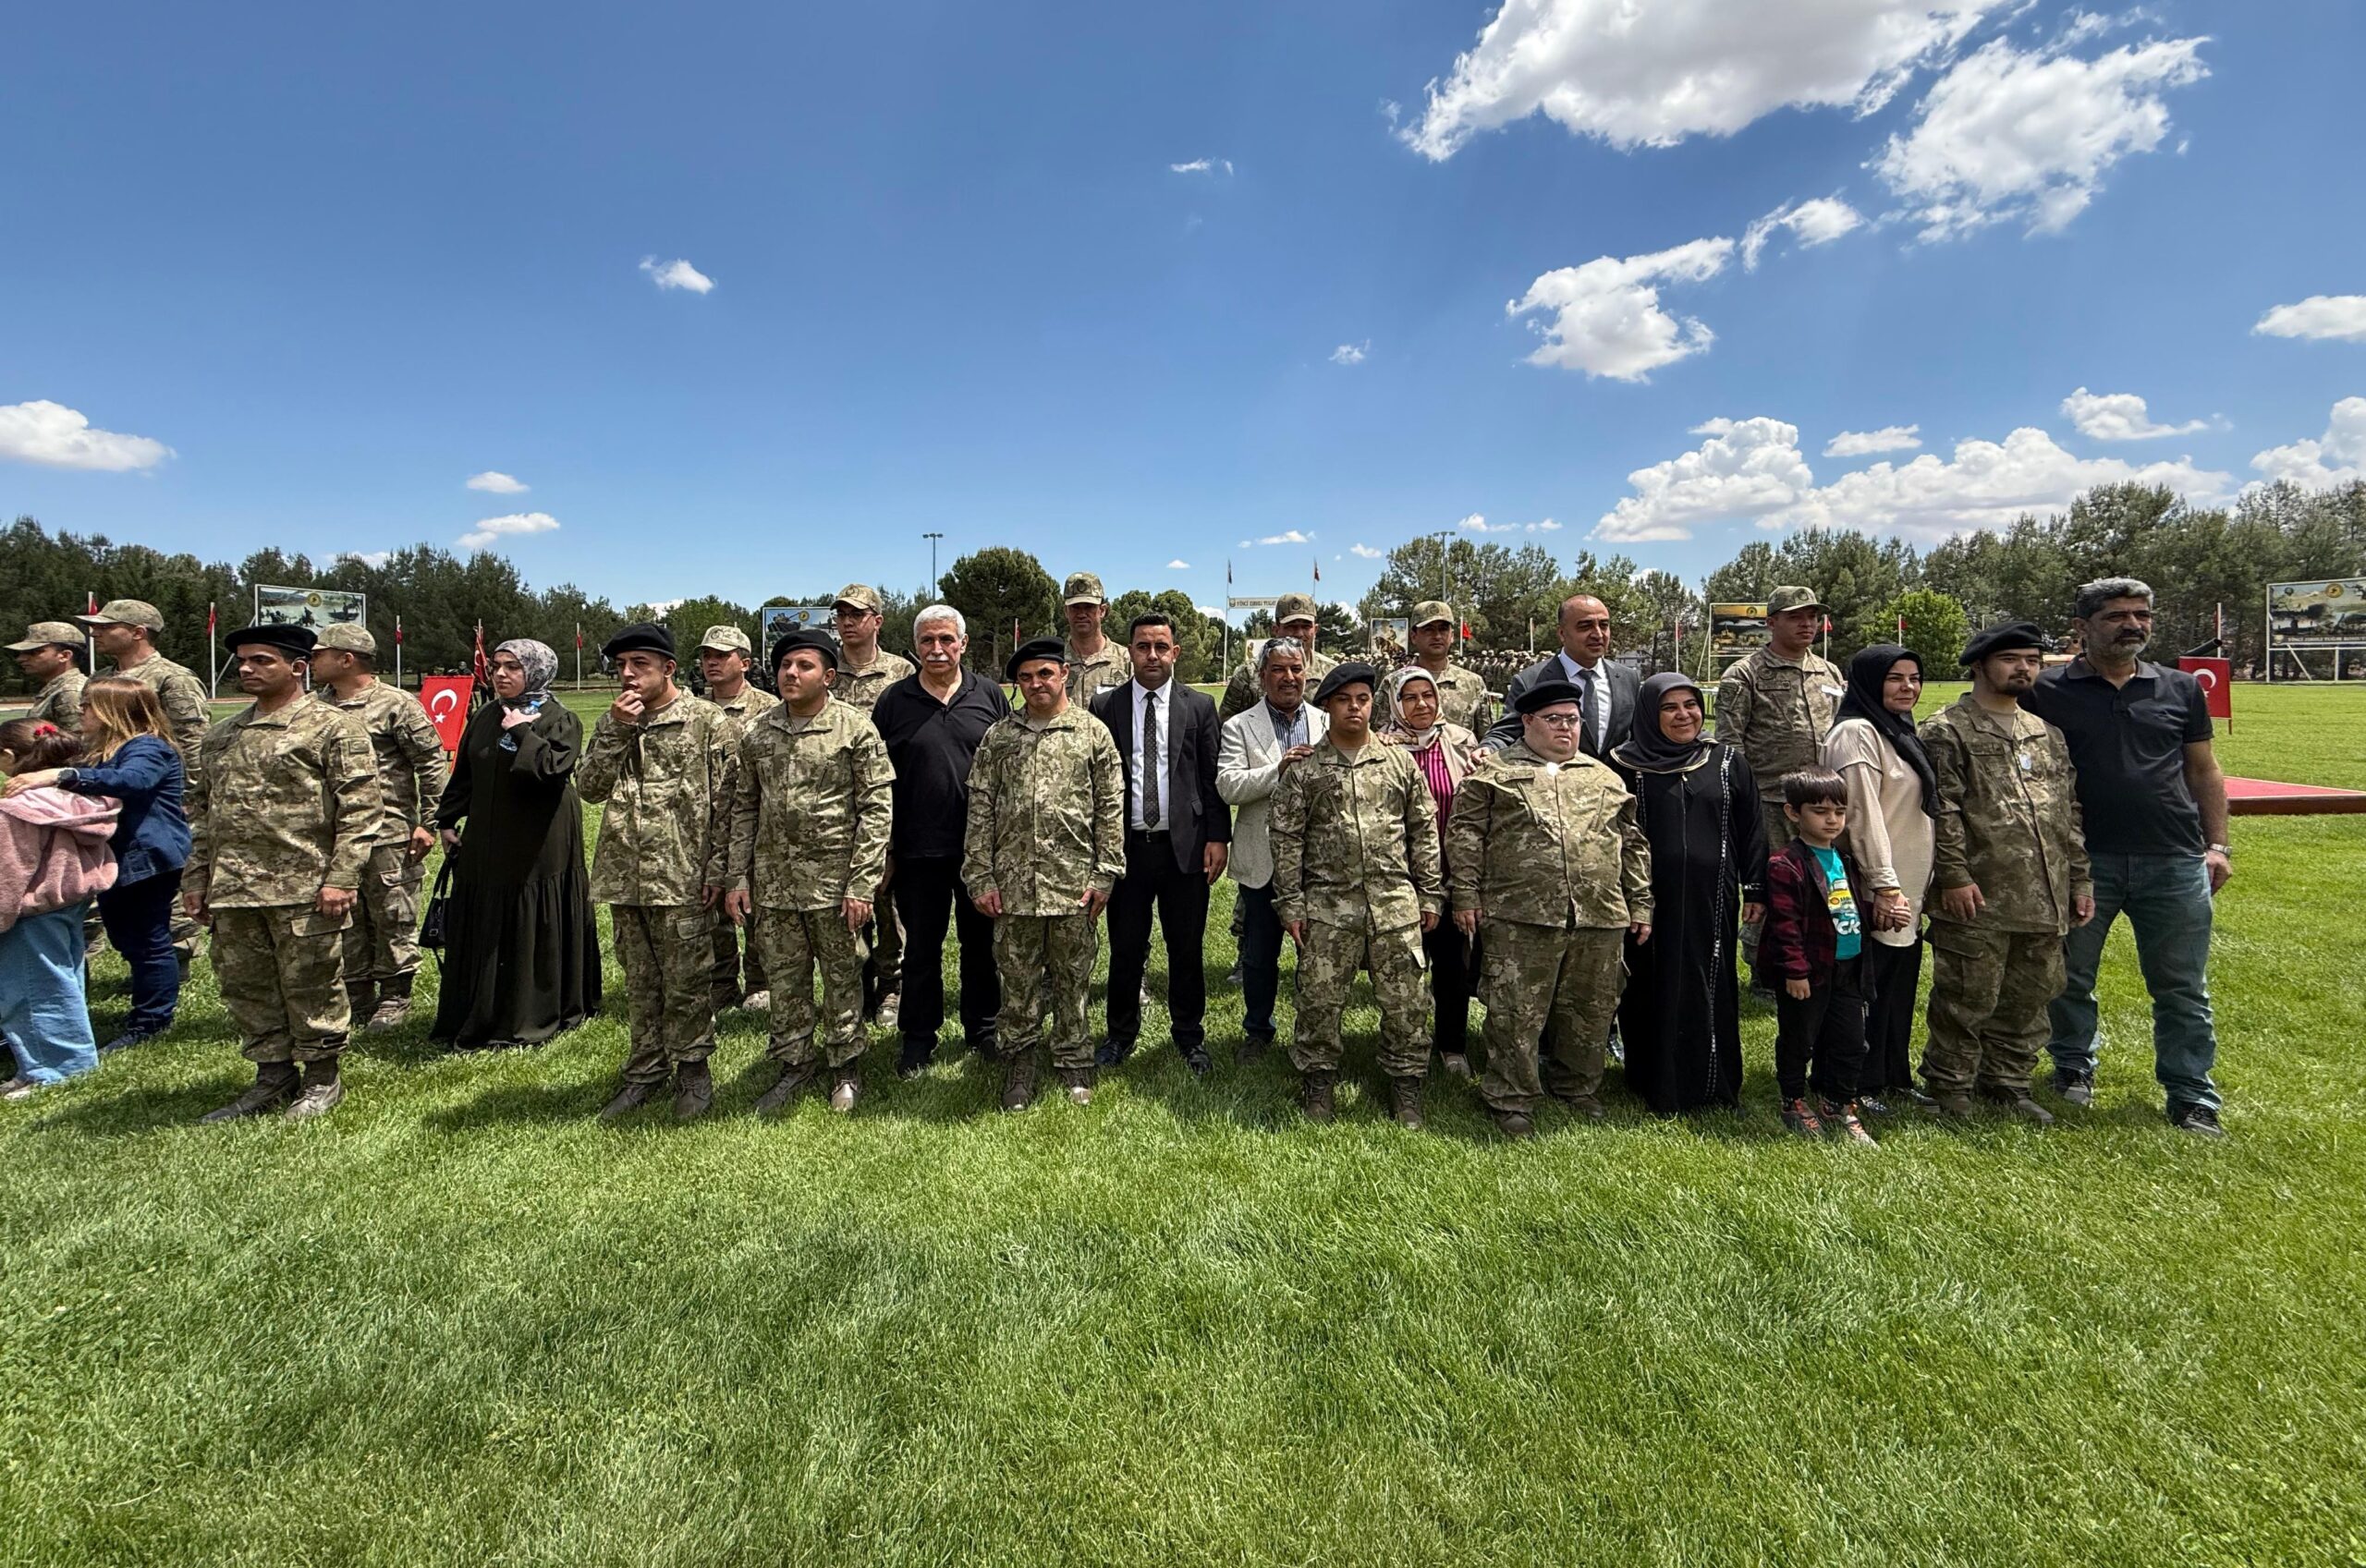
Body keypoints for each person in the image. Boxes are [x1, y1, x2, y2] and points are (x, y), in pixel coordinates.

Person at [2025, 577, 2232, 1137]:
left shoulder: (2181, 689)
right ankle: (2071, 1066)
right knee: (2068, 975)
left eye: (2141, 614)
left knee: (2182, 986)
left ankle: (2191, 1095)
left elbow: (2203, 770)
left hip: (2174, 857)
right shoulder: (2045, 691)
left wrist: (2217, 846)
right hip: (2084, 860)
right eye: (2117, 616)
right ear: (2083, 627)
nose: (2132, 625)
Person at [184, 625, 381, 1121]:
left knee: (312, 983)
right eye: (243, 661)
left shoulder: (333, 728)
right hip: (234, 888)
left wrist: (342, 878)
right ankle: (272, 1076)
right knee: (246, 986)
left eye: (262, 660)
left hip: (304, 885)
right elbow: (201, 812)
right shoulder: (222, 735)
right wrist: (196, 878)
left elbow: (360, 809)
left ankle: (321, 1078)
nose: (247, 669)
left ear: (297, 667)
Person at [1452, 679, 1652, 1137]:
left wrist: (1640, 902)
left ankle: (1577, 1085)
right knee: (1515, 1010)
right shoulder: (1493, 773)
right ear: (1527, 722)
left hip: (1598, 914)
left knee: (1591, 1007)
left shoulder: (1604, 777)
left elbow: (1633, 845)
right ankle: (1511, 1096)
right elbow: (1464, 839)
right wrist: (1464, 895)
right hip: (1520, 914)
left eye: (1573, 720)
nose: (1566, 728)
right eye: (1554, 720)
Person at [1920, 622, 2094, 1126]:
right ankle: (1949, 1088)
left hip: (2045, 894)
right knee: (1967, 997)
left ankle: (2008, 1083)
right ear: (1979, 665)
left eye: (2033, 660)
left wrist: (2079, 879)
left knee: (2032, 996)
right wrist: (1953, 876)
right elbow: (1943, 810)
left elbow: (2068, 812)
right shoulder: (1947, 730)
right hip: (1979, 893)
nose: (2024, 668)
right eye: (2011, 659)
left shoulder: (2046, 734)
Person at [726, 628, 894, 1116]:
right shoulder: (758, 732)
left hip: (835, 886)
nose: (791, 674)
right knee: (786, 982)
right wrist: (738, 877)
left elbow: (877, 810)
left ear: (829, 676)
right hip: (775, 888)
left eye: (804, 666)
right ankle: (794, 1063)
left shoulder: (856, 729)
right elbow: (744, 809)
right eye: (784, 666)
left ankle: (846, 1066)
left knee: (843, 980)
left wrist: (862, 884)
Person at [1271, 662, 1444, 1128]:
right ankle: (1318, 1080)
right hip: (1329, 907)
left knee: (1406, 1001)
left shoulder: (1397, 761)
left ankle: (1406, 1084)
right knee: (1320, 1001)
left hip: (1394, 904)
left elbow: (1422, 826)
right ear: (1327, 707)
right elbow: (1286, 838)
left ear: (1373, 704)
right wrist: (1291, 902)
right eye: (1344, 700)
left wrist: (1429, 892)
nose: (1354, 708)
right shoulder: (1306, 769)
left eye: (1362, 699)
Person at [577, 625, 738, 1121]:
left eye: (639, 665)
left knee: (688, 981)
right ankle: (645, 1070)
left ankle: (693, 1070)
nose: (627, 675)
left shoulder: (706, 721)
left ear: (668, 669)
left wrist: (719, 870)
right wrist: (615, 730)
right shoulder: (617, 722)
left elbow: (729, 803)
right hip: (627, 876)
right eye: (621, 666)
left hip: (684, 876)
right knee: (641, 982)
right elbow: (590, 787)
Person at [963, 638, 1125, 1112]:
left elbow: (1110, 808)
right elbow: (980, 809)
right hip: (1013, 887)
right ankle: (1020, 1062)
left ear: (1064, 676)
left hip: (1073, 884)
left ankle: (1074, 1059)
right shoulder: (1000, 737)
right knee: (1017, 981)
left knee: (1074, 980)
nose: (1036, 684)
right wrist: (980, 876)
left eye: (1045, 674)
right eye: (1026, 677)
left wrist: (1105, 873)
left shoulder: (1092, 734)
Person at [431, 638, 602, 1051]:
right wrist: (448, 817)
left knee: (527, 911)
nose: (501, 674)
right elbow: (467, 769)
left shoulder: (560, 719)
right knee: (485, 910)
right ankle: (478, 1009)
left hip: (539, 838)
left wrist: (522, 729)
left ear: (537, 671)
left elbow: (550, 769)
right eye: (497, 666)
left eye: (513, 667)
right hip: (488, 834)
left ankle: (531, 1011)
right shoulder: (486, 714)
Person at [1607, 673, 1765, 1115]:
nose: (1684, 715)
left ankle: (1711, 1080)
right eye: (1670, 707)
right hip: (1644, 902)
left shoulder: (1727, 761)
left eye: (1691, 705)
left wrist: (1755, 886)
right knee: (1650, 982)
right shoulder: (1622, 765)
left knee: (1708, 979)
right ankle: (1652, 1080)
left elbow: (1752, 829)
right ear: (1649, 713)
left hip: (1710, 900)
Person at [8, 678, 190, 1051]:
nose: (81, 712)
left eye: (88, 705)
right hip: (122, 857)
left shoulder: (148, 748)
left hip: (147, 859)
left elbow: (133, 780)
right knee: (128, 937)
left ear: (113, 711)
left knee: (148, 942)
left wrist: (63, 775)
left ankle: (151, 1021)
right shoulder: (107, 749)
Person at [872, 604, 1009, 1076]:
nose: (937, 649)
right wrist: (885, 849)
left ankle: (983, 1028)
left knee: (981, 946)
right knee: (922, 951)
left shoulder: (989, 696)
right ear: (916, 646)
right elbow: (877, 780)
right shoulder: (894, 701)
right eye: (928, 641)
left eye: (946, 640)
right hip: (916, 851)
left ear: (963, 644)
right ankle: (918, 1038)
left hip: (980, 852)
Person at [1092, 612, 1229, 1074]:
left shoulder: (1198, 707)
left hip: (1185, 848)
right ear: (1129, 651)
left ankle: (1189, 1036)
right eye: (1142, 646)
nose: (1151, 655)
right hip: (1127, 849)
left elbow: (1210, 779)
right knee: (1126, 948)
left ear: (1175, 652)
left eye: (1160, 647)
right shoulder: (1105, 706)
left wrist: (1217, 836)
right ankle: (1119, 1036)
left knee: (1185, 948)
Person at [310, 624, 445, 1032]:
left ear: (347, 659)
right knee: (344, 918)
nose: (313, 660)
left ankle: (394, 995)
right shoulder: (316, 707)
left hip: (389, 829)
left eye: (320, 653)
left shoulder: (396, 705)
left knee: (392, 915)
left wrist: (429, 822)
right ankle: (357, 993)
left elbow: (431, 764)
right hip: (334, 834)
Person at [1822, 645, 1935, 1114]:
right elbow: (1861, 816)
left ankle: (1892, 1075)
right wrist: (1884, 887)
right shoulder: (1856, 734)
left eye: (1914, 677)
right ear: (1869, 683)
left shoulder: (1899, 732)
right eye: (1894, 678)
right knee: (1865, 991)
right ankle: (1856, 1081)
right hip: (1874, 887)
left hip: (1907, 886)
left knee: (1897, 987)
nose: (1907, 687)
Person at [1712, 586, 1845, 985]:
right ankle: (1764, 969)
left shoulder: (1829, 672)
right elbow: (1729, 741)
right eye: (1796, 617)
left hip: (1821, 804)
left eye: (1813, 617)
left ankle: (1819, 956)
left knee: (1822, 883)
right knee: (1771, 888)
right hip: (1769, 801)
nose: (1807, 624)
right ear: (1771, 623)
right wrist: (1740, 800)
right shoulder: (1746, 674)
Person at [75, 599, 209, 968]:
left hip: (159, 797)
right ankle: (145, 960)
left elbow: (192, 739)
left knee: (163, 883)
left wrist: (189, 795)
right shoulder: (101, 678)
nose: (95, 632)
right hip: (112, 798)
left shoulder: (172, 677)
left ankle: (173, 960)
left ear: (138, 632)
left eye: (106, 626)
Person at [1216, 638, 1327, 1064]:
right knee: (1259, 956)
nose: (1288, 678)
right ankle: (1257, 1031)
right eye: (1278, 670)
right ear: (1262, 676)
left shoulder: (1324, 721)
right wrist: (1277, 768)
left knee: (1315, 955)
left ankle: (1313, 1030)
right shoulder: (1239, 727)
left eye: (1296, 669)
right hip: (1261, 860)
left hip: (1315, 864)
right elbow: (1228, 786)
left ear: (1307, 671)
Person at [0, 719, 116, 1099]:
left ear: (8, 758)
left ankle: (54, 1071)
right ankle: (69, 1060)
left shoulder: (16, 810)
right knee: (64, 980)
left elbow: (10, 869)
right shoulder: (81, 800)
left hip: (31, 909)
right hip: (71, 902)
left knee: (33, 990)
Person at [1758, 768, 1876, 1142]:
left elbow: (1847, 908)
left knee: (1851, 1040)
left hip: (1848, 966)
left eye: (1839, 812)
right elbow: (1785, 924)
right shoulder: (1785, 864)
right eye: (1819, 811)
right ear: (1793, 813)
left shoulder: (1844, 859)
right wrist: (1795, 971)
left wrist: (1881, 918)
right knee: (1799, 1037)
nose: (1831, 820)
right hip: (1808, 970)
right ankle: (1792, 1099)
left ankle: (1838, 1102)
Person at [1379, 664, 1484, 1077]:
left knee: (1452, 965)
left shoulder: (1461, 742)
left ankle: (1453, 1045)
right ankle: (1402, 1046)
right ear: (1395, 702)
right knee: (1403, 969)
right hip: (1400, 875)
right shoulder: (1382, 746)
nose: (1421, 704)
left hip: (1452, 871)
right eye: (1410, 697)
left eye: (1428, 695)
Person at [832, 584, 917, 1033]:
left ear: (877, 621)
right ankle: (854, 985)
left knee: (887, 900)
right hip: (833, 807)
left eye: (857, 614)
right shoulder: (825, 669)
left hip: (885, 800)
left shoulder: (901, 672)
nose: (848, 621)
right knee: (842, 900)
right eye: (842, 614)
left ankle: (892, 984)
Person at [696, 625, 779, 1015]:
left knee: (758, 901)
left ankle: (760, 982)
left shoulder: (768, 709)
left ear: (744, 663)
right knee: (711, 903)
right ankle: (722, 982)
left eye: (721, 655)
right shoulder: (693, 708)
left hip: (753, 819)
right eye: (707, 655)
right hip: (705, 821)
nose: (712, 662)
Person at [1484, 594, 1640, 760]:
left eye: (1604, 625)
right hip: (1556, 781)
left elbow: (1640, 735)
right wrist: (1487, 748)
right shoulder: (1531, 680)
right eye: (1585, 626)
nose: (1598, 634)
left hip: (1616, 783)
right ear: (1562, 634)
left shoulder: (1627, 679)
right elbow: (1506, 732)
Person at [1374, 602, 1494, 735]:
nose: (1437, 636)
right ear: (1414, 636)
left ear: (1452, 636)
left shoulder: (1473, 683)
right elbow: (1377, 736)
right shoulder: (1393, 683)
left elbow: (1487, 738)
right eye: (1428, 629)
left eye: (1443, 629)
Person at [1218, 593, 1336, 721]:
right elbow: (1226, 725)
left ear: (1316, 629)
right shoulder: (1249, 674)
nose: (1299, 633)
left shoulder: (1332, 673)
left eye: (1306, 626)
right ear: (1276, 629)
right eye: (1291, 626)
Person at [1060, 572, 1133, 708]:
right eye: (1075, 607)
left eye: (1089, 607)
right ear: (1066, 611)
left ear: (1102, 610)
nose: (1082, 614)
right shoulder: (1055, 661)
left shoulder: (1126, 660)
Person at [8, 622, 87, 729]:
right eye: (22, 653)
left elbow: (79, 743)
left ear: (64, 656)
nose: (21, 659)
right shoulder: (58, 688)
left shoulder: (70, 692)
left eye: (33, 652)